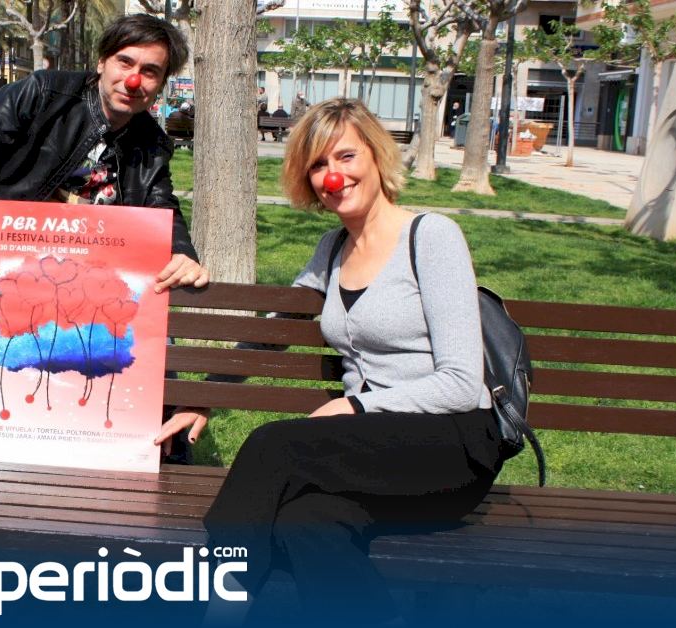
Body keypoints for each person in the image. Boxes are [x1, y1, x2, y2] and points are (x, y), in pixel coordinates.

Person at [160, 99, 502, 624]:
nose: (333, 176)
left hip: (450, 447)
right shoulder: (333, 248)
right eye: (318, 165)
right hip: (376, 453)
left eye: (345, 156)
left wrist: (357, 407)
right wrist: (203, 397)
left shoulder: (431, 236)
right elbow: (275, 333)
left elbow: (460, 383)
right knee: (307, 522)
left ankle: (215, 611)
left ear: (376, 156)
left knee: (273, 445)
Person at [0, 13, 208, 294]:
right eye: (125, 62)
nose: (133, 80)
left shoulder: (152, 142)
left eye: (150, 71)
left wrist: (182, 252)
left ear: (161, 83)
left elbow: (161, 204)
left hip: (74, 283)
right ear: (102, 62)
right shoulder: (41, 94)